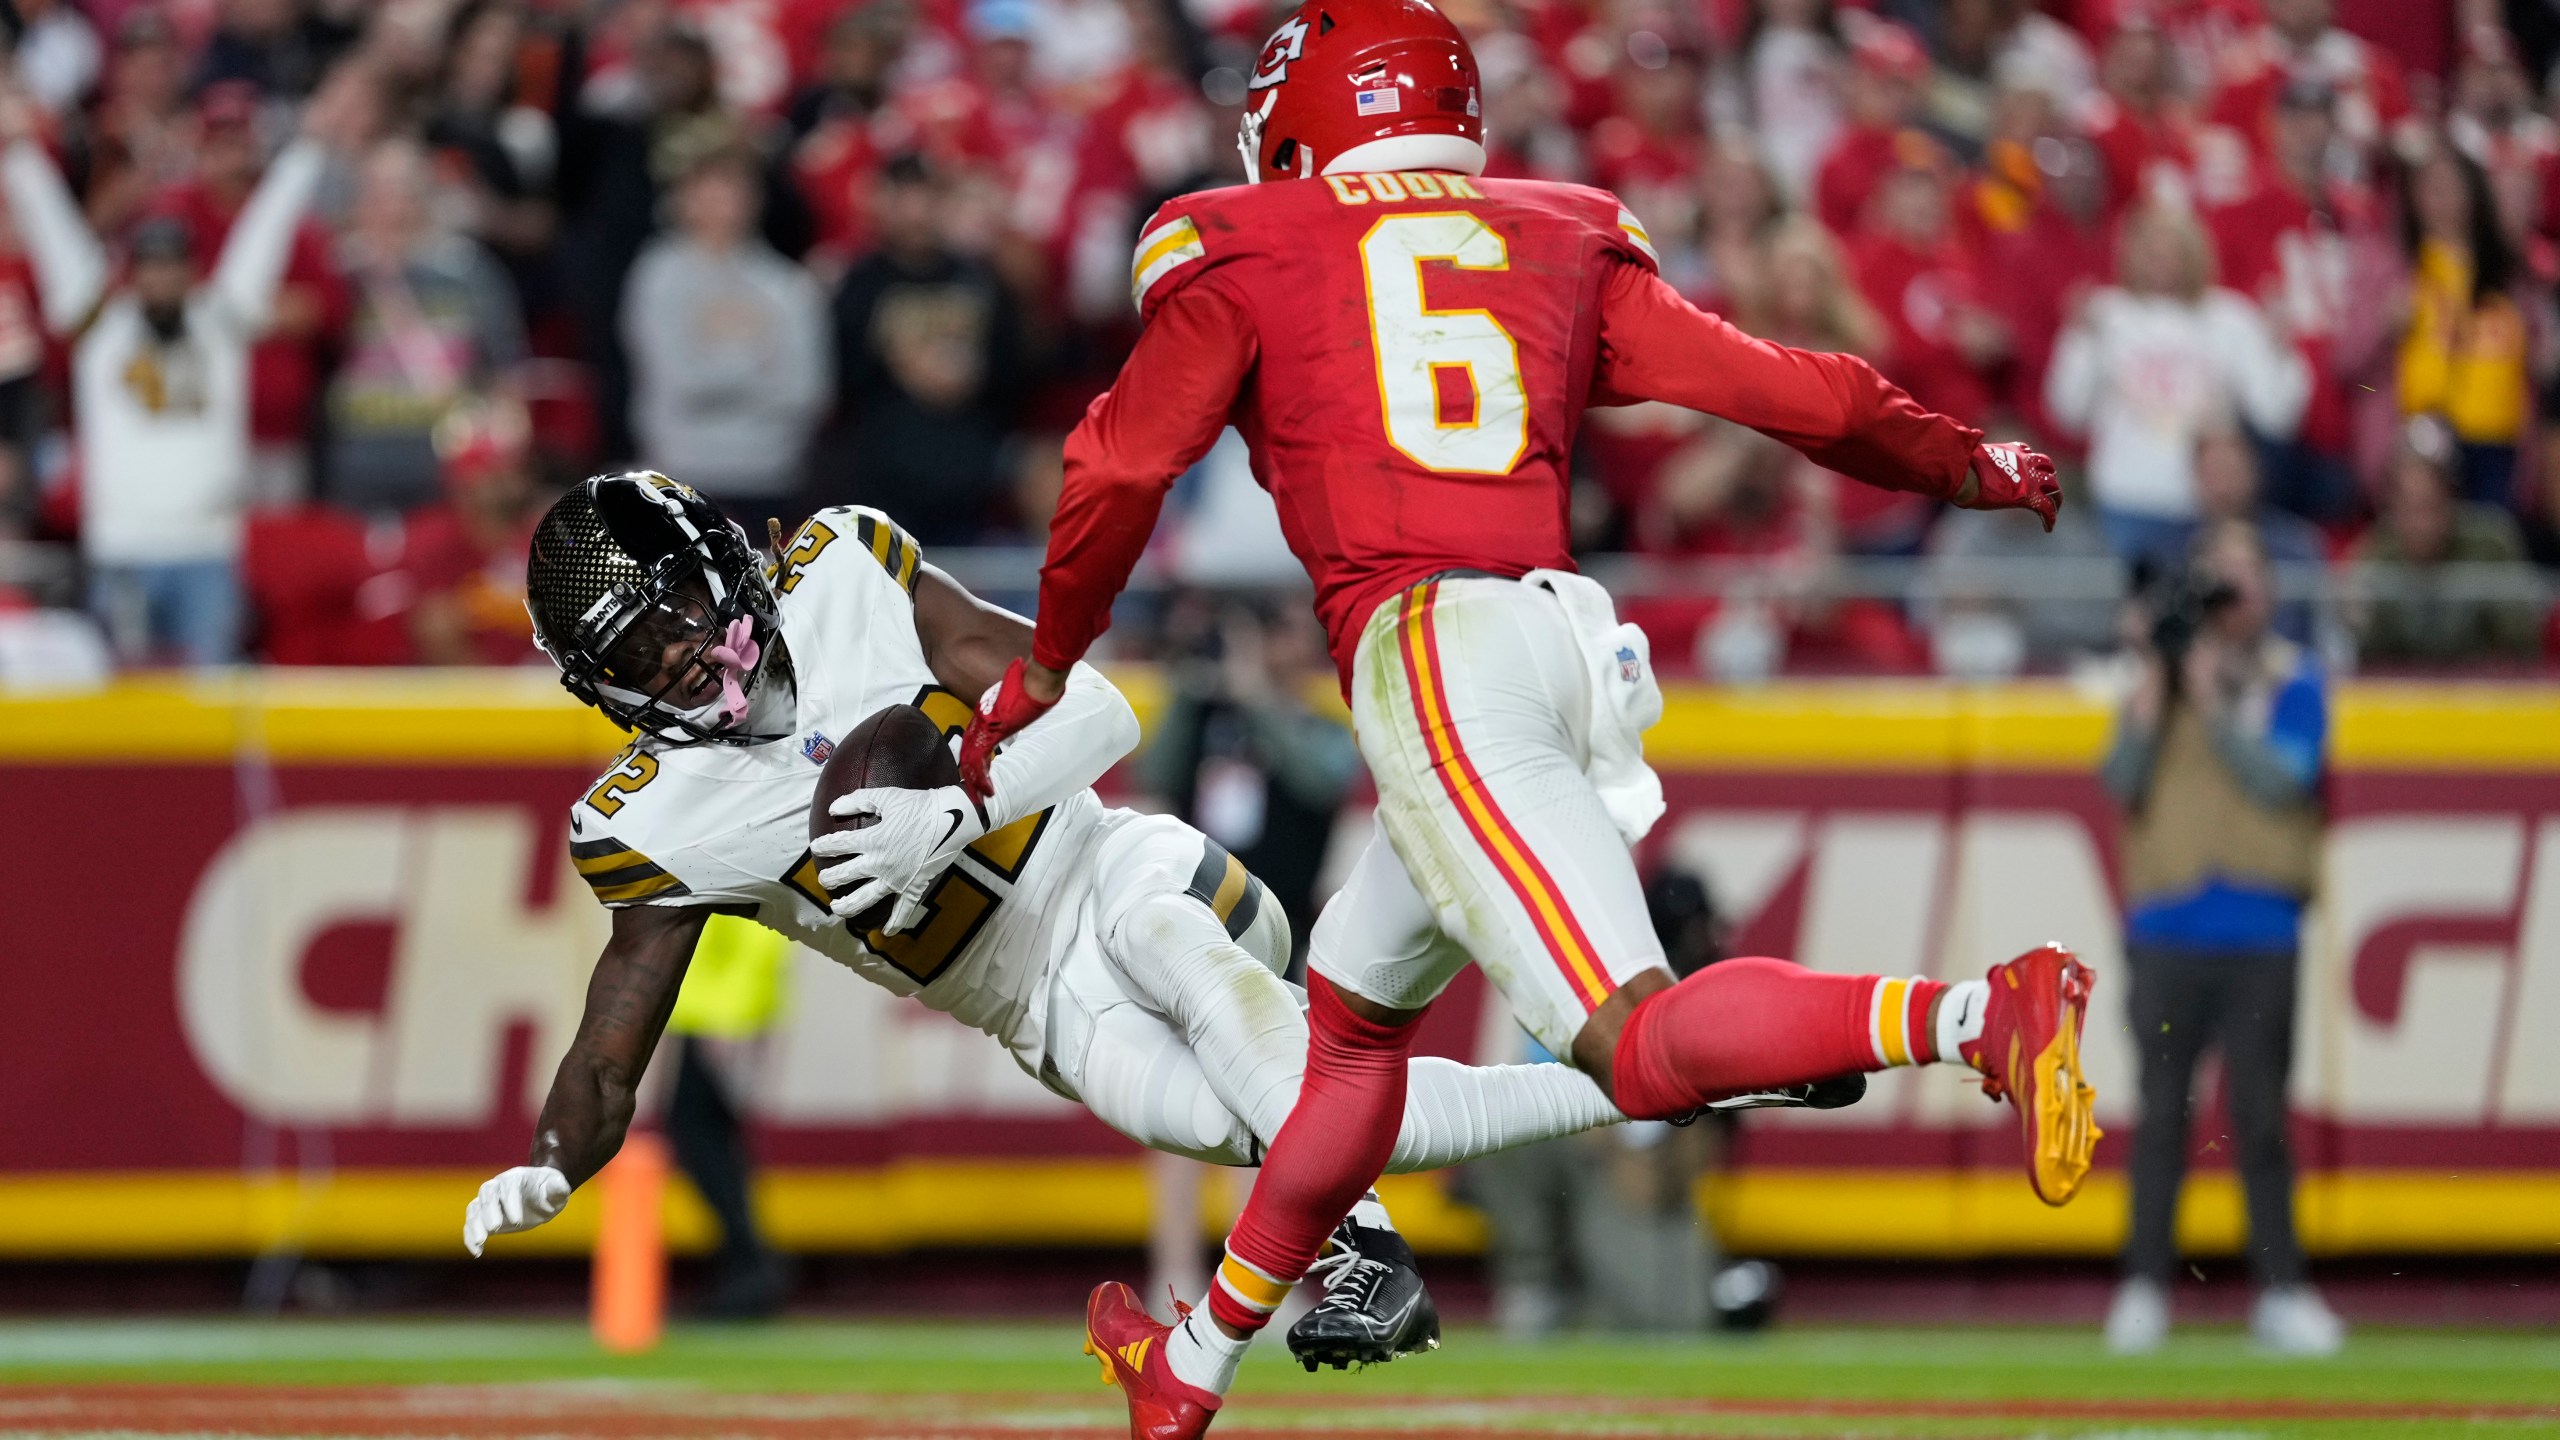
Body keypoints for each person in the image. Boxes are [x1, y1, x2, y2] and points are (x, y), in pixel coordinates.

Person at [946, 5, 2092, 1432]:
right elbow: (1784, 391)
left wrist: (1044, 667)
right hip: (1556, 633)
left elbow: (1118, 469)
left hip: (1433, 651)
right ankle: (1189, 1367)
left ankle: (1982, 1013)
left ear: (1305, 113)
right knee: (1347, 1036)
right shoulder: (1555, 231)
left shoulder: (1244, 237)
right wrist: (1960, 459)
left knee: (1635, 1042)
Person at [463, 474, 1686, 1370]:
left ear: (720, 565)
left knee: (1186, 970)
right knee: (1250, 1123)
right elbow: (614, 1038)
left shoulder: (842, 568)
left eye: (675, 611)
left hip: (1112, 865)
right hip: (1036, 1005)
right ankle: (1649, 1076)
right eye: (633, 653)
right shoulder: (651, 818)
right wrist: (552, 1162)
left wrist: (956, 805)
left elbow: (1100, 710)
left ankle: (1361, 1245)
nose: (676, 658)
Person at [0, 59, 354, 665]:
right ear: (132, 274)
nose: (162, 280)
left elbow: (261, 238)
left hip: (206, 550)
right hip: (121, 551)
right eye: (151, 268)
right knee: (123, 722)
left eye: (173, 268)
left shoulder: (220, 323)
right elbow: (58, 240)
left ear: (192, 272)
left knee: (209, 716)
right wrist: (19, 158)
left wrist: (306, 154)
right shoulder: (101, 329)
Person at [2100, 518, 2345, 1358]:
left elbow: (2282, 780)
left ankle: (2281, 1291)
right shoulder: (2159, 682)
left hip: (2260, 927)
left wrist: (2208, 697)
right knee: (2162, 1116)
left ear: (2268, 590)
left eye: (2244, 578)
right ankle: (2144, 1287)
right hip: (2167, 924)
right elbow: (2120, 780)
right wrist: (2151, 682)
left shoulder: (2292, 679)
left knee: (2261, 1118)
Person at [2045, 201, 2308, 572]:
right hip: (2126, 500)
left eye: (2173, 249)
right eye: (2152, 249)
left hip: (2210, 509)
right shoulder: (2106, 314)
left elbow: (2276, 416)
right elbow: (2068, 412)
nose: (2163, 260)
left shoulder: (2231, 319)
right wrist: (2078, 341)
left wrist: (2283, 353)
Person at [624, 144, 830, 537]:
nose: (724, 201)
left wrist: (716, 374)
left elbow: (807, 392)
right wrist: (758, 362)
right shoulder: (657, 276)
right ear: (684, 198)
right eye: (710, 187)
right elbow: (682, 382)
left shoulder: (788, 286)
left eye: (736, 187)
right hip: (679, 479)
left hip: (772, 479)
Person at [324, 136, 529, 516]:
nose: (390, 206)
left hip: (447, 473)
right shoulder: (338, 272)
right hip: (356, 471)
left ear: (425, 195)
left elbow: (505, 374)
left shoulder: (468, 271)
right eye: (377, 191)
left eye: (402, 191)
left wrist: (500, 466)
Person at [2350, 418, 2543, 665]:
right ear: (2391, 506)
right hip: (2402, 700)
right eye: (2409, 508)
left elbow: (2521, 649)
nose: (2422, 523)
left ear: (2452, 498)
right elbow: (2369, 662)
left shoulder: (2492, 544)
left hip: (2484, 697)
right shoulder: (2375, 555)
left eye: (2431, 505)